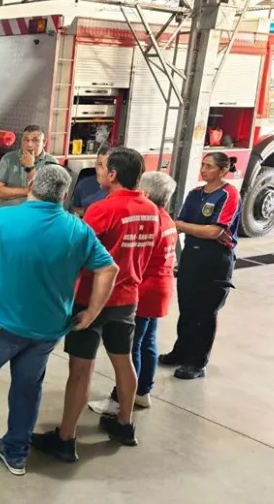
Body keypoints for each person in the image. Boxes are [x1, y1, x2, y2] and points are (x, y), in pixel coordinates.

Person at [0, 165, 117, 476]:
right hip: (47, 330)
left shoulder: (3, 218)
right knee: (28, 389)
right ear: (64, 194)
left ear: (30, 184)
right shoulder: (78, 229)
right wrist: (92, 313)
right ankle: (16, 452)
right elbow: (108, 269)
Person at [33, 147, 160, 460]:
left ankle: (65, 438)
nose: (98, 170)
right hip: (128, 299)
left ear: (114, 174)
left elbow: (78, 254)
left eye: (102, 166)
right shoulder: (151, 209)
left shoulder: (103, 209)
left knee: (81, 370)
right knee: (124, 361)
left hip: (92, 301)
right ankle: (125, 424)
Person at [90, 171, 177, 415]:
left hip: (145, 290)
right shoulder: (167, 219)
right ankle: (142, 392)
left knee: (130, 349)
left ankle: (120, 400)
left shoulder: (152, 219)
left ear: (147, 194)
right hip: (161, 288)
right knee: (148, 342)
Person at [160, 152, 240, 380]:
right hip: (192, 255)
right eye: (203, 165)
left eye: (209, 166)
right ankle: (181, 351)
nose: (203, 170)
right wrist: (192, 227)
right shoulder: (195, 194)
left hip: (215, 260)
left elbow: (216, 231)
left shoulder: (228, 195)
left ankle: (197, 362)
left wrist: (188, 226)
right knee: (187, 308)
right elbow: (179, 224)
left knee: (205, 312)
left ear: (223, 171)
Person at [0, 125, 58, 208]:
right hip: (9, 213)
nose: (29, 145)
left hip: (37, 214)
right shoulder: (8, 158)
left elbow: (48, 197)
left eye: (35, 140)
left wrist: (30, 166)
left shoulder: (51, 163)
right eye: (26, 140)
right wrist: (28, 191)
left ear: (44, 142)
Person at [70, 146, 109, 216]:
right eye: (100, 164)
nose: (103, 169)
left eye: (107, 165)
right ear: (95, 164)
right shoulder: (82, 185)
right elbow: (75, 206)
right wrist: (90, 216)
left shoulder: (117, 187)